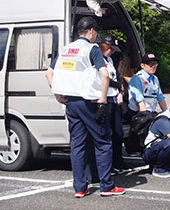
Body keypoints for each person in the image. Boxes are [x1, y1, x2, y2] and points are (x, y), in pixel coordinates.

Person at [45, 16, 126, 197]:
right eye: (95, 31)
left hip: (71, 103)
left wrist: (58, 95)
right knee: (103, 141)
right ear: (90, 30)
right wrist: (103, 100)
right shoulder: (92, 49)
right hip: (89, 101)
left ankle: (80, 187)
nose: (96, 35)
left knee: (77, 144)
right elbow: (105, 75)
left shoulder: (66, 49)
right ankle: (106, 186)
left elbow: (48, 73)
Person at [98, 35, 129, 173]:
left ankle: (118, 161)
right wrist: (118, 85)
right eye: (110, 49)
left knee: (118, 132)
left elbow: (116, 75)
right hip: (104, 98)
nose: (112, 52)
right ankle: (107, 165)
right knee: (105, 134)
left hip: (114, 98)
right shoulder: (97, 59)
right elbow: (103, 78)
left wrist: (120, 91)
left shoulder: (109, 59)